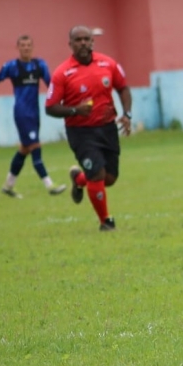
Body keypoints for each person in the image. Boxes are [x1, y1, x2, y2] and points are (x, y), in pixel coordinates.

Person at [45, 26, 132, 232]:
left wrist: (126, 114)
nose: (83, 43)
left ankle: (79, 179)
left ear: (92, 41)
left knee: (109, 178)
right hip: (81, 132)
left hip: (107, 127)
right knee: (97, 175)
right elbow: (50, 107)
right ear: (70, 44)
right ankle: (106, 222)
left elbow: (123, 88)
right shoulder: (62, 73)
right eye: (78, 40)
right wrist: (75, 110)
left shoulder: (108, 64)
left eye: (86, 39)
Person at [0, 35, 68, 198]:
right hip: (22, 113)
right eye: (22, 45)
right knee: (35, 146)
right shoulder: (12, 66)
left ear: (32, 47)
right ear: (17, 47)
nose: (26, 48)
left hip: (35, 113)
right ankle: (50, 185)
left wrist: (61, 99)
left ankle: (8, 186)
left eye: (28, 45)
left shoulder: (40, 65)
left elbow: (51, 84)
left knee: (24, 149)